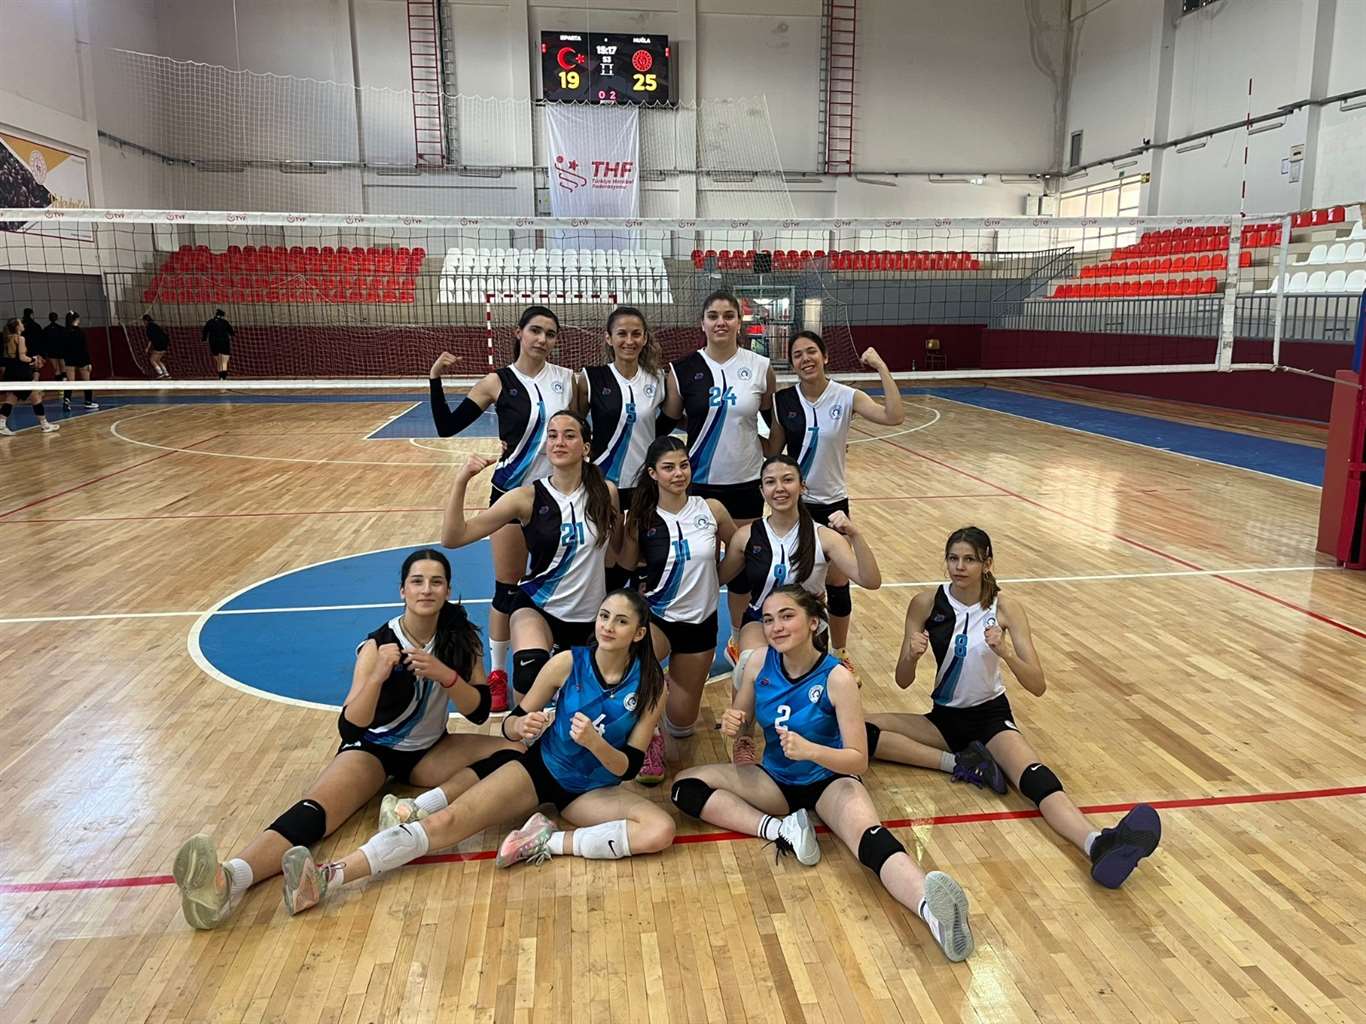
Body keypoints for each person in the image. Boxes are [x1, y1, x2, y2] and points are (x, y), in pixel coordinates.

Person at [170, 549, 511, 930]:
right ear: (402, 590)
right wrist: (376, 677)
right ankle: (230, 879)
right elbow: (350, 727)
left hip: (430, 751)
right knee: (316, 813)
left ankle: (413, 809)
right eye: (417, 581)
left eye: (436, 582)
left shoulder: (463, 639)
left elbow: (479, 712)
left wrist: (445, 675)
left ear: (448, 589)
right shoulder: (377, 644)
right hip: (373, 751)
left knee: (514, 753)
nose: (426, 590)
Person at [280, 590, 675, 915]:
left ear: (638, 633)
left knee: (660, 830)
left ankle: (545, 841)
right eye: (603, 616)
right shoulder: (567, 663)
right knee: (448, 822)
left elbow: (629, 768)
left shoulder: (652, 687)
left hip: (592, 791)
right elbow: (509, 724)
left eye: (620, 621)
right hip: (539, 772)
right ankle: (329, 875)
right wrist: (522, 725)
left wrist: (595, 744)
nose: (607, 626)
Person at [671, 586, 975, 962]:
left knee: (870, 839)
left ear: (813, 622)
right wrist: (736, 724)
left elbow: (858, 760)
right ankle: (781, 829)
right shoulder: (757, 663)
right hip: (777, 780)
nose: (776, 627)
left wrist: (811, 751)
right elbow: (744, 721)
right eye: (768, 619)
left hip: (831, 778)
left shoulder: (837, 678)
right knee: (685, 787)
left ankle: (934, 914)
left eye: (787, 616)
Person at [866, 526, 1162, 889]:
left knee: (1034, 777)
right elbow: (902, 680)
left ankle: (1096, 843)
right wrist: (911, 656)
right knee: (860, 729)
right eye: (953, 559)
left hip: (990, 718)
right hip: (943, 720)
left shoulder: (1006, 608)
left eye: (970, 559)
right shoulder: (925, 603)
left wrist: (1005, 652)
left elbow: (1037, 684)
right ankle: (961, 763)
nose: (959, 567)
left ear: (987, 563)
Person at [429, 306, 575, 709]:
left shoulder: (568, 380)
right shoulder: (497, 382)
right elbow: (447, 426)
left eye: (550, 333)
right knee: (507, 589)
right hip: (510, 494)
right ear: (518, 333)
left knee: (560, 585)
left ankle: (560, 667)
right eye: (535, 331)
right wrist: (435, 378)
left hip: (558, 499)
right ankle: (497, 675)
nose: (542, 339)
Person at [440, 410, 620, 708]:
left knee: (587, 706)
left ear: (586, 447)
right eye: (552, 435)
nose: (559, 442)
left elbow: (615, 555)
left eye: (569, 435)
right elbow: (454, 537)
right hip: (538, 606)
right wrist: (462, 480)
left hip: (590, 616)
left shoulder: (606, 493)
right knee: (529, 679)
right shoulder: (525, 497)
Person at [765, 334, 904, 674]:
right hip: (794, 507)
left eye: (811, 351)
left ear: (825, 356)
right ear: (792, 363)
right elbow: (773, 452)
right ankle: (794, 649)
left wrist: (880, 366)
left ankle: (839, 651)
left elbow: (894, 416)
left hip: (832, 505)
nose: (805, 359)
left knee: (838, 583)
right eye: (798, 355)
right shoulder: (784, 401)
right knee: (797, 582)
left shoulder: (846, 396)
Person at [662, 290, 776, 665]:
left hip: (745, 480)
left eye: (728, 315)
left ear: (739, 322)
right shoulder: (682, 370)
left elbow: (770, 420)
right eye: (713, 315)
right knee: (700, 565)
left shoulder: (760, 367)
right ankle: (695, 637)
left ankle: (738, 638)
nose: (721, 322)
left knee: (743, 565)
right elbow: (672, 420)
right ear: (702, 323)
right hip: (698, 483)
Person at [616, 435, 737, 781]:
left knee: (682, 726)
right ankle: (648, 737)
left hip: (701, 623)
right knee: (635, 676)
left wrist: (716, 579)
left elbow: (742, 547)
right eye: (668, 468)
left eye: (683, 465)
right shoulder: (641, 517)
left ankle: (665, 691)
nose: (678, 473)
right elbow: (625, 566)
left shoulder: (711, 509)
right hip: (657, 617)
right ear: (653, 473)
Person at [574, 305, 676, 590]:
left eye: (636, 334)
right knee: (609, 560)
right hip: (603, 483)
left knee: (642, 561)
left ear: (645, 338)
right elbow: (575, 425)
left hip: (645, 483)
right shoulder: (591, 378)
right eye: (622, 334)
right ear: (608, 338)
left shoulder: (658, 379)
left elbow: (669, 420)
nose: (629, 341)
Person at [1, 318, 59, 434]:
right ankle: (44, 424)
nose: (23, 324)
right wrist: (33, 360)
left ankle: (1, 423)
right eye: (21, 323)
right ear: (17, 327)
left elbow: (10, 358)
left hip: (11, 372)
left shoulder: (7, 338)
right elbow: (22, 357)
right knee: (35, 395)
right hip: (21, 373)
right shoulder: (20, 338)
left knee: (12, 398)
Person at [62, 311, 96, 411]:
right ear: (76, 319)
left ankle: (66, 401)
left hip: (69, 360)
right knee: (86, 382)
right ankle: (88, 402)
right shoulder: (81, 332)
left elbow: (62, 348)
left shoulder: (64, 332)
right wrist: (88, 362)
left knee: (70, 382)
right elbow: (84, 348)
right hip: (82, 359)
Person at [202, 308, 234, 380]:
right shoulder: (225, 322)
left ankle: (220, 377)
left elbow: (205, 332)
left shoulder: (209, 322)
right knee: (224, 361)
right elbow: (231, 332)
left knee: (219, 361)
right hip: (224, 343)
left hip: (213, 343)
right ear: (222, 316)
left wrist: (204, 339)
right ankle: (223, 377)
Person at [41, 312, 66, 386]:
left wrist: (45, 353)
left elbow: (44, 342)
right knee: (63, 369)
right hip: (61, 351)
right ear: (57, 318)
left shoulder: (46, 329)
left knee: (56, 369)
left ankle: (60, 386)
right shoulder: (61, 328)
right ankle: (65, 385)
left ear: (49, 318)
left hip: (51, 351)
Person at [143, 313, 171, 378]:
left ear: (145, 321)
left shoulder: (149, 328)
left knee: (152, 360)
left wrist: (147, 348)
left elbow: (151, 339)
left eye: (144, 321)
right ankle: (166, 374)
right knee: (158, 360)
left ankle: (160, 373)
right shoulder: (155, 325)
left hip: (159, 344)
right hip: (165, 344)